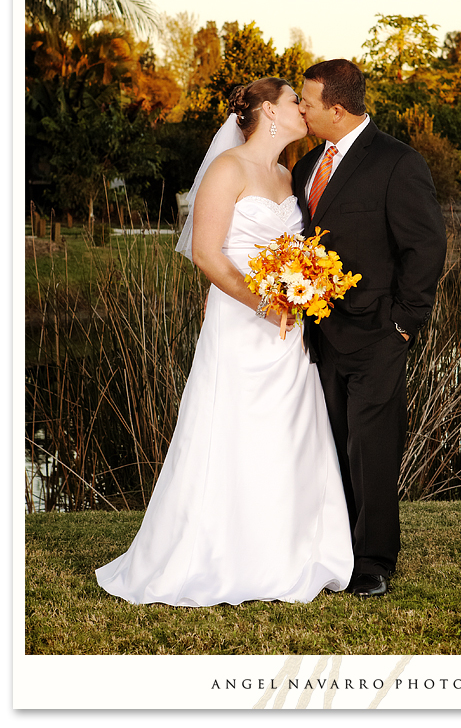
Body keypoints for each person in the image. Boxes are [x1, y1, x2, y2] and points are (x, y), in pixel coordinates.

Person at [95, 78, 354, 606]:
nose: (304, 110)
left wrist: (303, 288)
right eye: (293, 102)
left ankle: (287, 553)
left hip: (289, 331)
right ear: (268, 111)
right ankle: (216, 554)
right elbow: (207, 254)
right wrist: (265, 302)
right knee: (232, 431)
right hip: (242, 325)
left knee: (287, 435)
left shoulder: (289, 174)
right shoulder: (227, 169)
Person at [292, 59, 447, 598]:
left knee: (373, 448)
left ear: (336, 108)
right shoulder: (306, 165)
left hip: (379, 332)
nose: (301, 109)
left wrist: (404, 324)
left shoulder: (397, 162)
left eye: (307, 102)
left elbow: (424, 247)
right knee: (333, 444)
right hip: (318, 335)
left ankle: (375, 560)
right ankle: (337, 548)